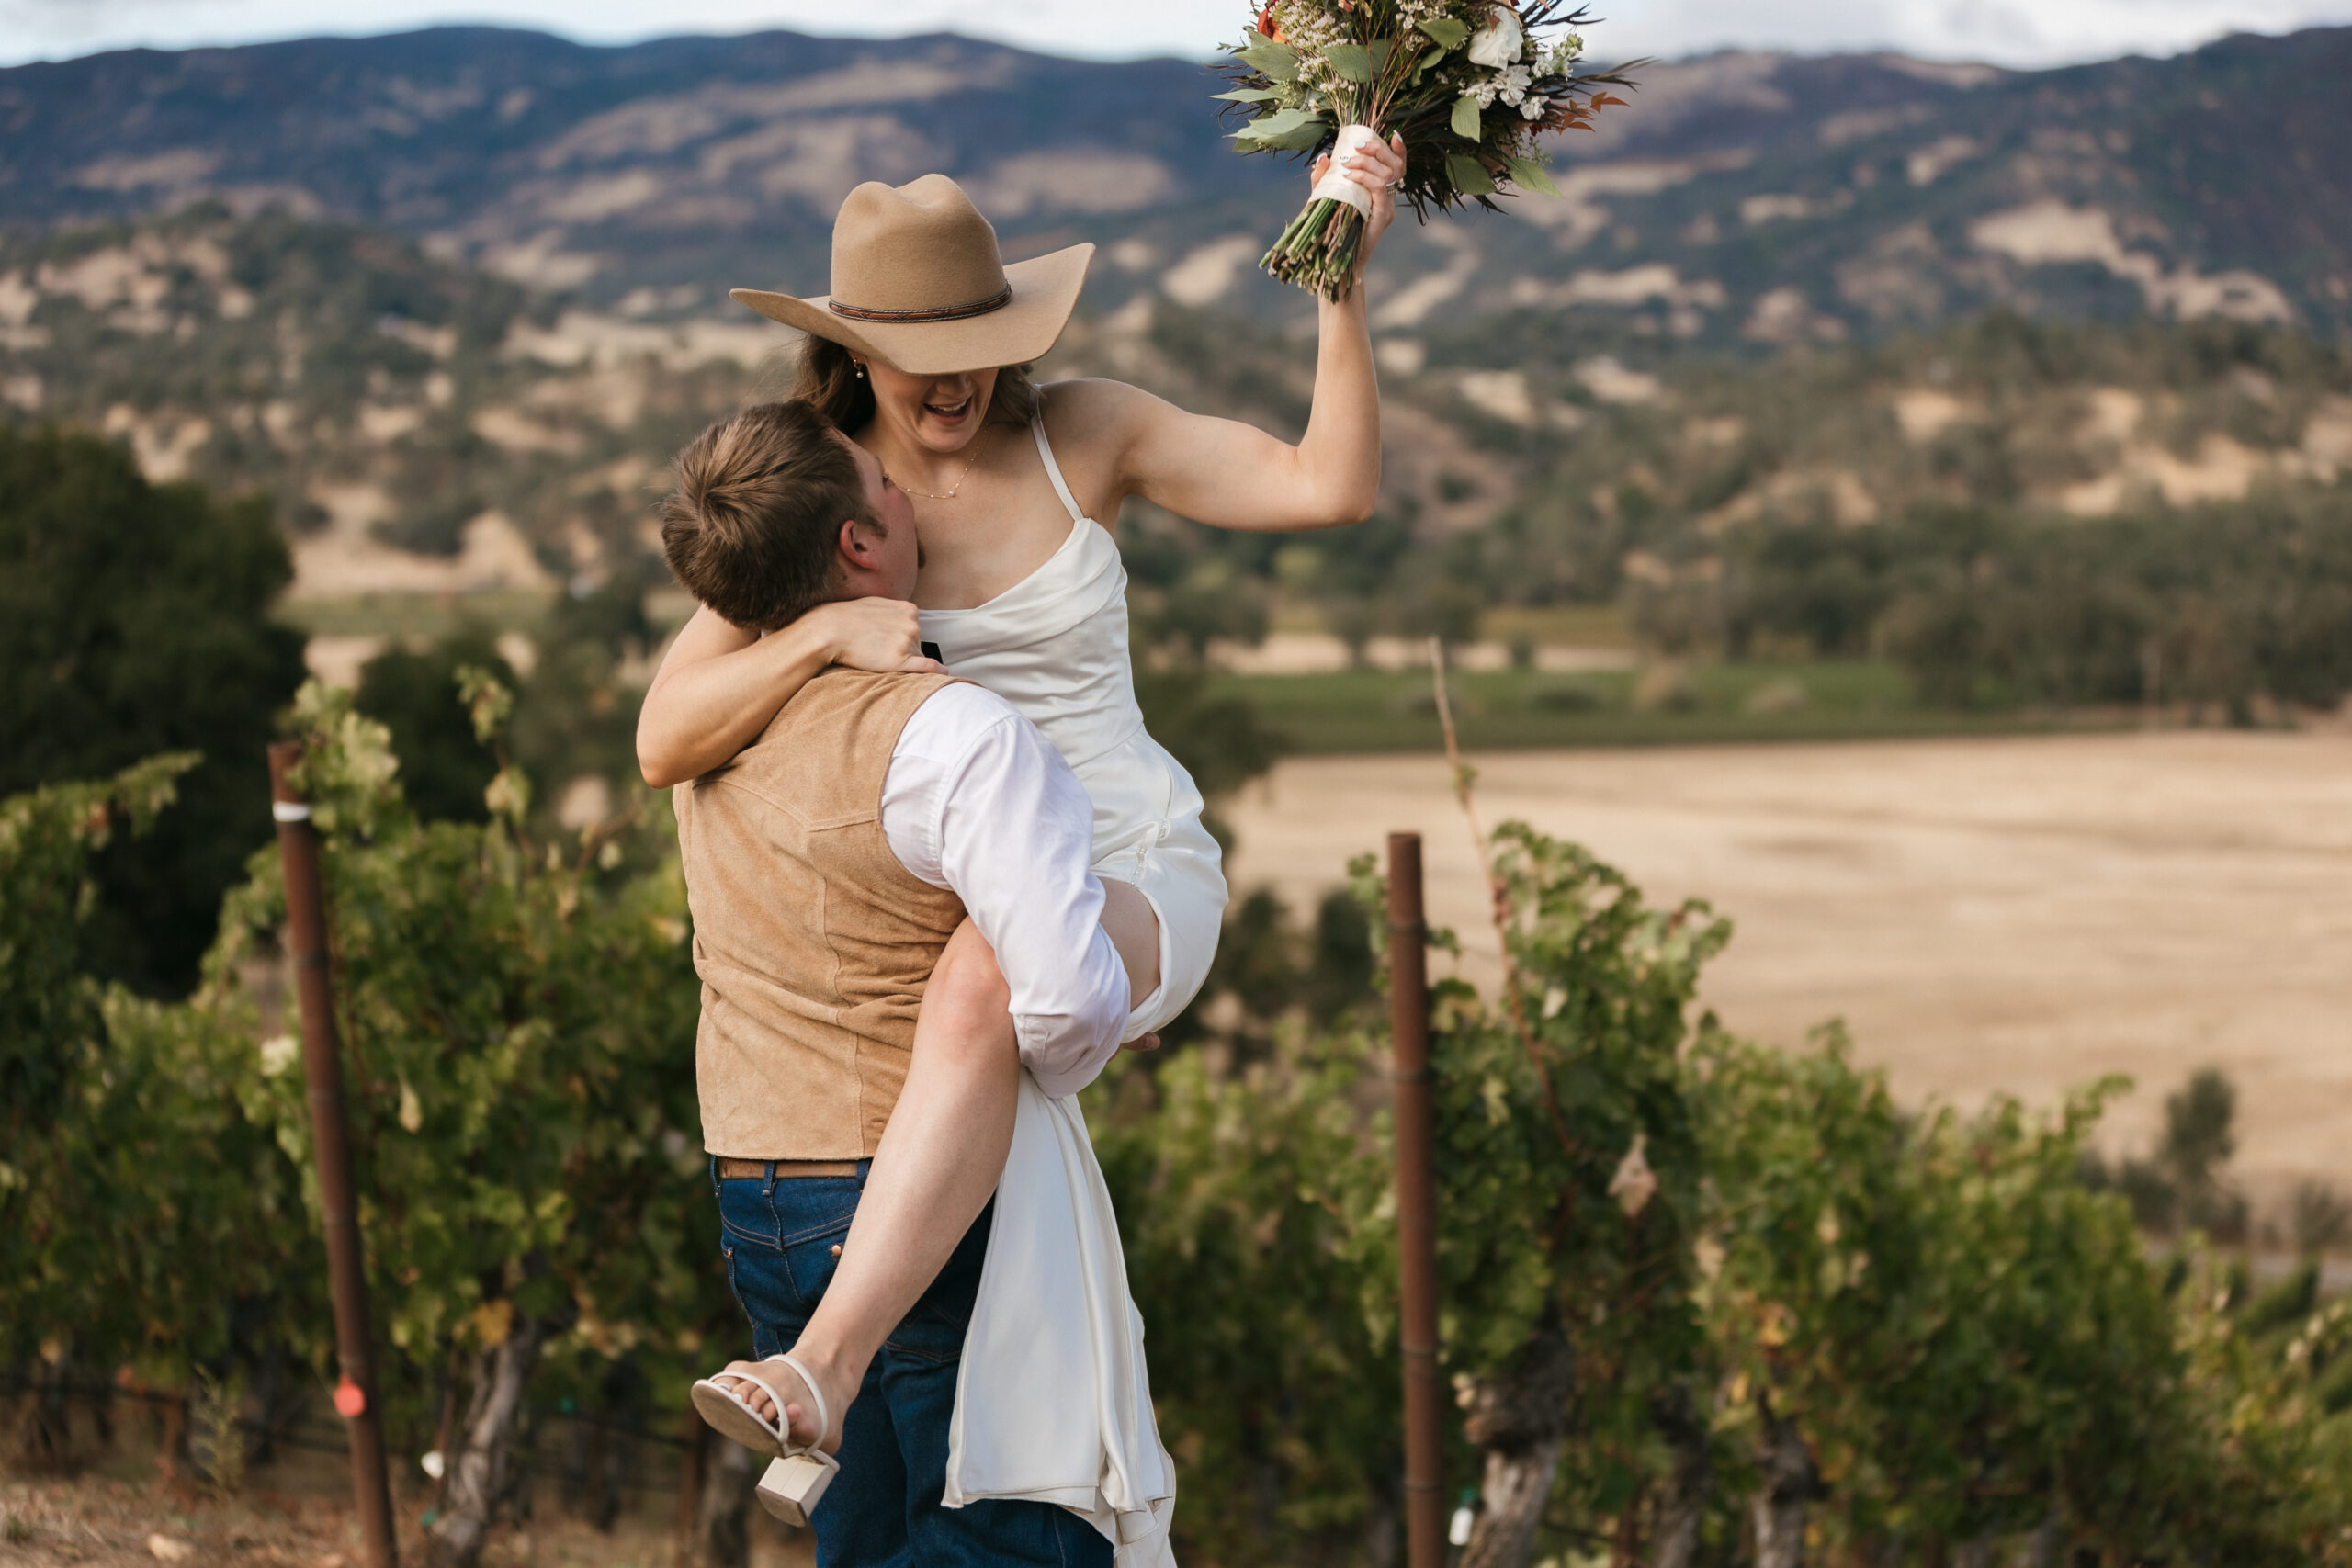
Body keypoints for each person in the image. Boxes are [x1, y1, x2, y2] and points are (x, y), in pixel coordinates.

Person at [642, 146, 1406, 1524]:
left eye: (981, 344)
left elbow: (1327, 486)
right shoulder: (830, 491)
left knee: (999, 976)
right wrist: (816, 629)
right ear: (852, 351)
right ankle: (853, 1420)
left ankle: (821, 1364)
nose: (957, 382)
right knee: (984, 976)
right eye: (918, 352)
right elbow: (664, 735)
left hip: (1119, 861)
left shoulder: (1085, 431)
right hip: (977, 900)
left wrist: (1341, 287)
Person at [665, 397, 1160, 1563]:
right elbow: (1063, 1004)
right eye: (873, 476)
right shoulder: (960, 739)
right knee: (1003, 1538)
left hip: (759, 1191)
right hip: (916, 1193)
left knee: (865, 1544)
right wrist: (1129, 956)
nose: (900, 480)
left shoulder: (716, 734)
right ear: (855, 545)